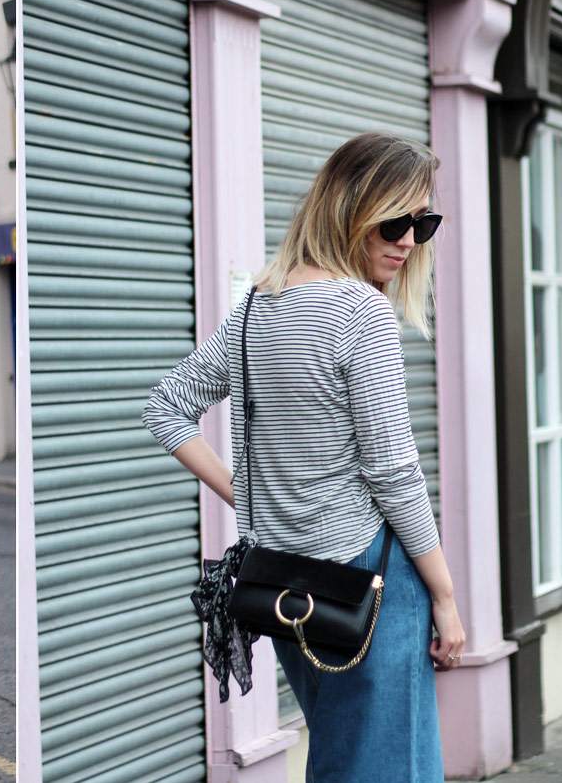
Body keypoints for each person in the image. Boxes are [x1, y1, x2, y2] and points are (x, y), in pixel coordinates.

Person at [143, 132, 466, 782]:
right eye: (394, 220)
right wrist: (447, 595)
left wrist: (249, 495)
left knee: (342, 759)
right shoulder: (361, 313)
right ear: (347, 208)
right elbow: (393, 470)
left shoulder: (258, 307)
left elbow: (165, 406)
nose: (408, 239)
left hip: (287, 582)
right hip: (369, 578)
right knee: (388, 768)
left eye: (422, 222)